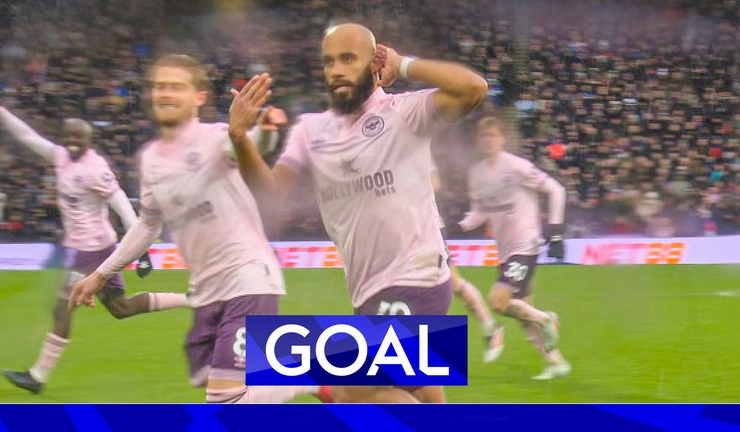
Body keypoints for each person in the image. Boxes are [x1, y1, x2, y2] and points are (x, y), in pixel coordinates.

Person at [229, 23, 488, 403]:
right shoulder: (310, 130)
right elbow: (271, 197)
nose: (336, 69)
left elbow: (473, 88)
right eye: (329, 61)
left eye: (348, 59)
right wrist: (240, 141)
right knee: (423, 397)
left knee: (354, 390)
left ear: (374, 64)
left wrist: (404, 65)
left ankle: (316, 383)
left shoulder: (405, 112)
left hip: (414, 280)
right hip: (369, 290)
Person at [69, 54, 317, 403]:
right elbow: (148, 224)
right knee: (220, 386)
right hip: (206, 291)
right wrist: (100, 274)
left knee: (224, 400)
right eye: (159, 86)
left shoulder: (215, 137)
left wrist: (262, 132)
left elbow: (243, 144)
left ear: (199, 96)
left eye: (176, 86)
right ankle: (310, 369)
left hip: (247, 277)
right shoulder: (150, 158)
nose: (165, 93)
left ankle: (320, 379)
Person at [0, 89, 188, 394]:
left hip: (91, 251)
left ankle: (38, 377)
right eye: (69, 136)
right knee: (120, 308)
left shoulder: (95, 169)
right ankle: (190, 299)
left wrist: (141, 250)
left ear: (90, 141)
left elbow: (122, 205)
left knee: (63, 309)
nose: (73, 141)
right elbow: (28, 137)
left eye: (79, 138)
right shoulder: (61, 157)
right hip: (91, 249)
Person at [459, 116, 571, 380]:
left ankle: (547, 319)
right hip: (505, 251)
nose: (488, 140)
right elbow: (479, 212)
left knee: (498, 301)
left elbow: (556, 190)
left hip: (525, 243)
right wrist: (458, 224)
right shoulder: (476, 173)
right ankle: (556, 363)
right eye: (483, 136)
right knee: (522, 313)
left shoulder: (517, 166)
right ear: (479, 141)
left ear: (502, 139)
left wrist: (555, 232)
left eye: (492, 136)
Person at [430, 163, 504, 363]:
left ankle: (490, 328)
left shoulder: (411, 147)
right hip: (404, 230)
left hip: (427, 229)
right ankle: (490, 328)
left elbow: (434, 183)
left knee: (449, 284)